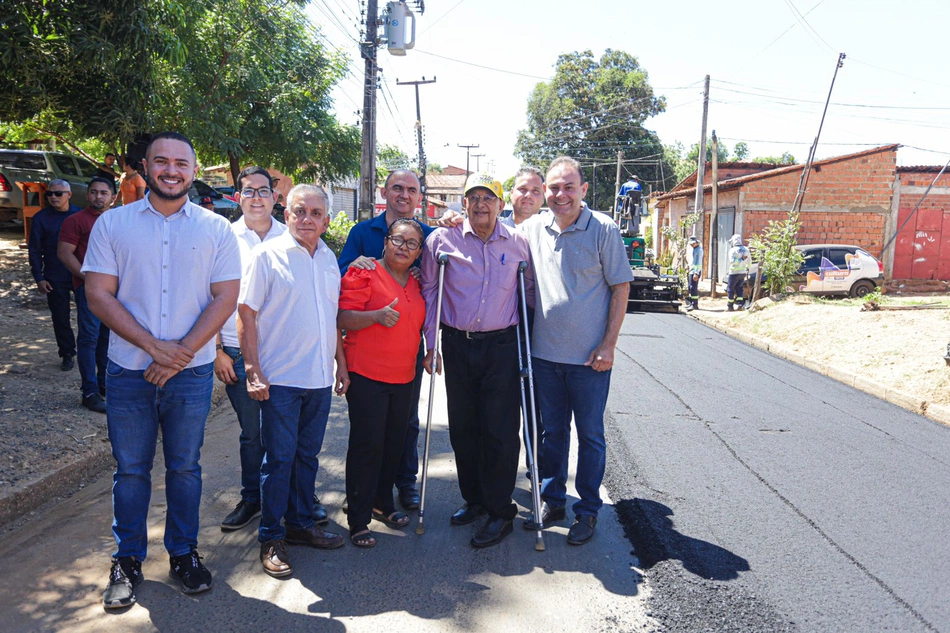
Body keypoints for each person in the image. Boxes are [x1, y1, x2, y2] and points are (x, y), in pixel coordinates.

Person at [84, 132, 241, 608]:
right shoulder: (113, 225)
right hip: (130, 370)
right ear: (145, 168)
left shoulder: (217, 229)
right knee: (130, 470)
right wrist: (154, 347)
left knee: (185, 468)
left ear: (194, 171)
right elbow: (98, 294)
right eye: (162, 162)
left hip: (190, 375)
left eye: (181, 163)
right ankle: (127, 560)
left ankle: (183, 554)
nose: (171, 171)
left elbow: (225, 297)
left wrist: (181, 353)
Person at [521, 157, 633, 546]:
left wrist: (609, 345)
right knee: (553, 434)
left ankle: (587, 510)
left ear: (583, 190)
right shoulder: (533, 228)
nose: (560, 194)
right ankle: (553, 500)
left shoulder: (603, 228)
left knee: (590, 436)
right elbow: (490, 236)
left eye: (569, 187)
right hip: (545, 357)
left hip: (590, 361)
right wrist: (452, 224)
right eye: (553, 187)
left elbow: (621, 287)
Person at [239, 184, 348, 578]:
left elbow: (332, 317)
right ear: (287, 214)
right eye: (300, 211)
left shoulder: (328, 258)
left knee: (306, 457)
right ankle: (271, 536)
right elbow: (246, 313)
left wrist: (341, 364)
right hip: (280, 379)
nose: (307, 219)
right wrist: (252, 369)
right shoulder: (265, 256)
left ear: (326, 220)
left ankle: (301, 524)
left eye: (315, 214)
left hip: (318, 377)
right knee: (279, 460)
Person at [421, 172, 533, 549]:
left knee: (500, 431)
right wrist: (430, 343)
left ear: (500, 205)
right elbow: (430, 289)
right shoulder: (441, 240)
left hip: (501, 346)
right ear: (463, 203)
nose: (481, 204)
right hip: (456, 343)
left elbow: (529, 290)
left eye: (488, 198)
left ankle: (500, 510)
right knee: (464, 428)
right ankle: (474, 499)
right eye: (474, 198)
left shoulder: (518, 242)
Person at [339, 169, 434, 512]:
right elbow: (342, 279)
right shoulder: (363, 232)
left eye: (411, 190)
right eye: (397, 188)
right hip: (368, 354)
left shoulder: (429, 234)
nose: (404, 195)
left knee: (404, 425)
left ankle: (401, 485)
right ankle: (363, 501)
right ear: (384, 191)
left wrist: (454, 218)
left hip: (408, 350)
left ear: (420, 197)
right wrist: (358, 264)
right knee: (369, 433)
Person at [214, 166, 288, 532]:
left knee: (286, 429)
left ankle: (292, 496)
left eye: (263, 190)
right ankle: (252, 498)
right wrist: (217, 351)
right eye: (248, 191)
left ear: (275, 197)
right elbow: (207, 296)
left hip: (282, 352)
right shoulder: (224, 238)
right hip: (236, 350)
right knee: (251, 433)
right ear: (237, 197)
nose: (256, 197)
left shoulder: (292, 237)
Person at [57, 177, 115, 413]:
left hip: (115, 291)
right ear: (87, 195)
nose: (98, 197)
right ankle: (89, 391)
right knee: (89, 339)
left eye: (103, 193)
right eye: (93, 192)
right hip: (88, 289)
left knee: (107, 339)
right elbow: (64, 253)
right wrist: (87, 278)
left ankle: (104, 385)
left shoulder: (117, 220)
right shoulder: (75, 221)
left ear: (113, 196)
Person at [27, 179, 79, 371]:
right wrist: (39, 278)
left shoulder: (79, 215)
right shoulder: (41, 218)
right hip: (54, 275)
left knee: (89, 315)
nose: (54, 197)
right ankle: (67, 353)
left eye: (59, 193)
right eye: (50, 194)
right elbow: (34, 249)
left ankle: (92, 351)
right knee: (60, 316)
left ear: (69, 195)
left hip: (80, 274)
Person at [727, 234, 750, 311]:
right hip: (742, 272)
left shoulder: (732, 250)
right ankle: (740, 305)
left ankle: (730, 306)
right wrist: (747, 269)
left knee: (730, 289)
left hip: (734, 272)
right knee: (739, 288)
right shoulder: (746, 250)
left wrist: (741, 260)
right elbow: (749, 261)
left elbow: (732, 262)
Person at [687, 236, 703, 312]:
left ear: (696, 242)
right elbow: (693, 261)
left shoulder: (699, 250)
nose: (691, 245)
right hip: (692, 271)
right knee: (690, 287)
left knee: (693, 287)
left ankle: (694, 304)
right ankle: (690, 303)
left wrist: (696, 273)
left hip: (695, 272)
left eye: (692, 244)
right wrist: (688, 266)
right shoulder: (694, 249)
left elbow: (699, 262)